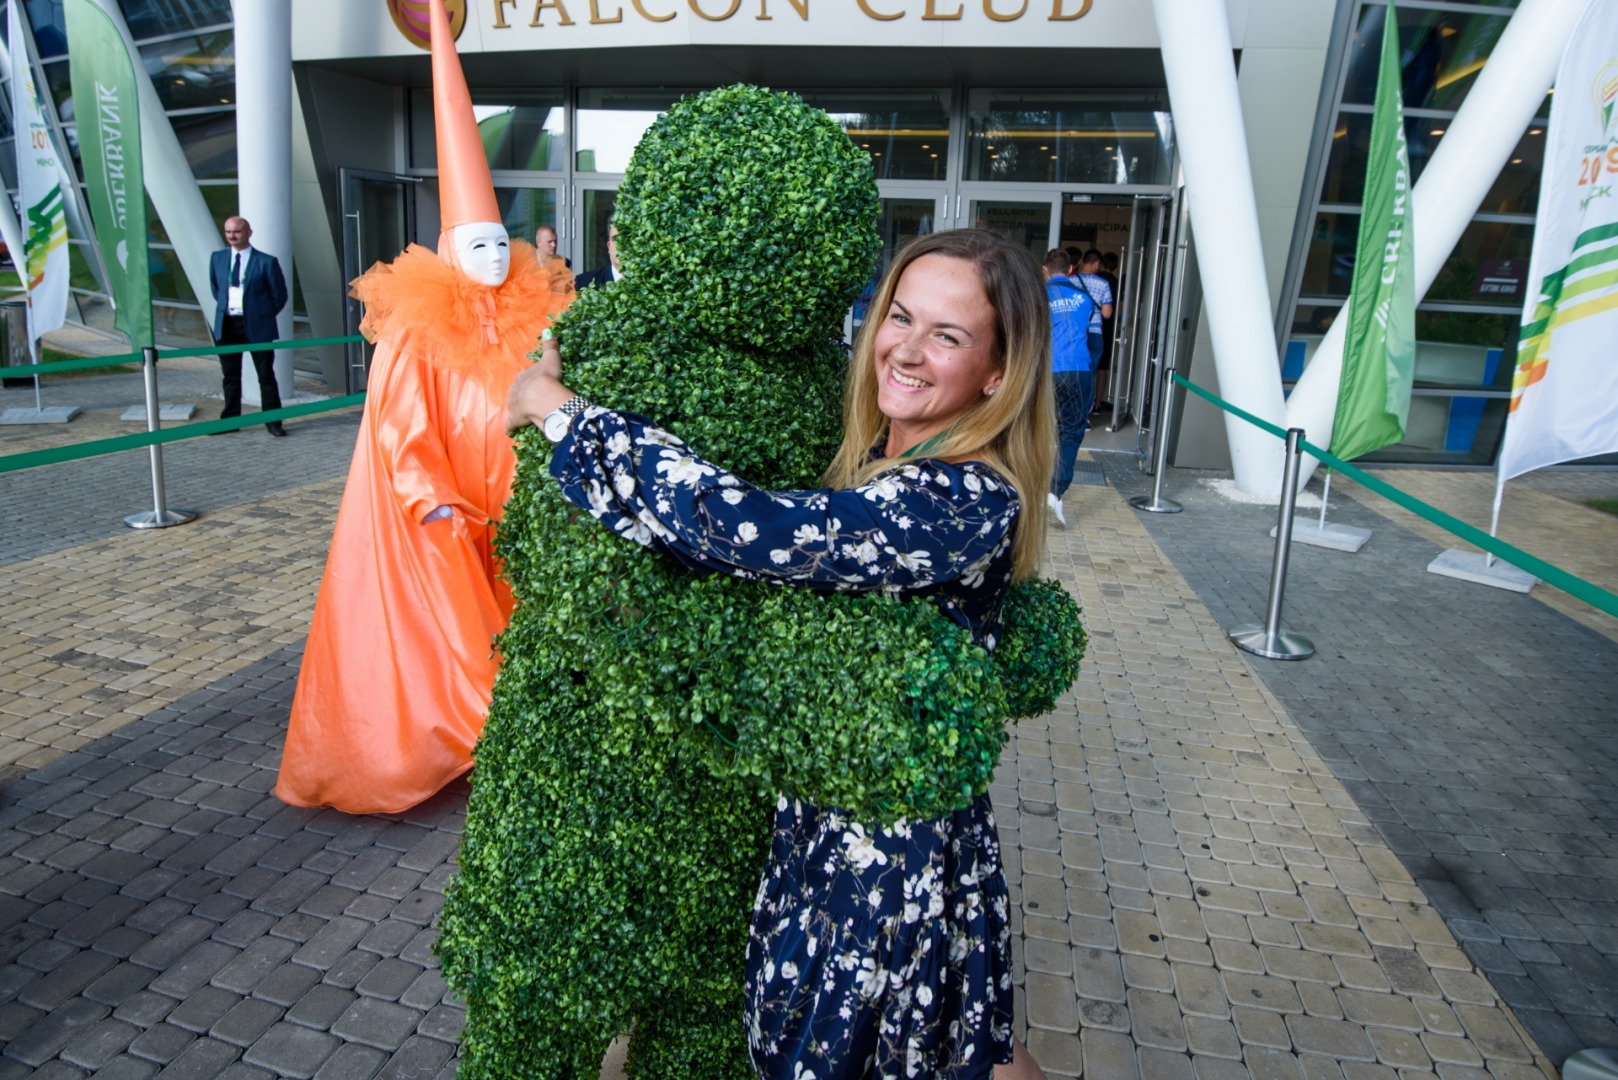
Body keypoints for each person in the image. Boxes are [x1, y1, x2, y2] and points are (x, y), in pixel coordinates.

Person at [507, 228, 1054, 1080]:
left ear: (999, 371)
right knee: (960, 1042)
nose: (905, 351)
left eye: (946, 336)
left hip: (882, 859)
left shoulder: (959, 497)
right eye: (899, 318)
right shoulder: (889, 458)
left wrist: (558, 412)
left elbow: (745, 529)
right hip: (834, 825)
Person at [275, 0, 574, 814]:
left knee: (515, 622)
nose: (485, 259)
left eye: (493, 242)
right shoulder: (414, 323)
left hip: (514, 504)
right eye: (469, 245)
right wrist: (426, 494)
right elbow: (398, 423)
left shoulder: (537, 309)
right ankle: (453, 742)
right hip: (446, 513)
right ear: (447, 245)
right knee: (449, 638)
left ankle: (512, 735)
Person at [209, 216, 289, 436]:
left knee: (265, 376)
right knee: (230, 376)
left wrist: (261, 315)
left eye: (237, 231)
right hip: (227, 325)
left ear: (249, 233)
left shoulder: (266, 261)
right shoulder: (217, 258)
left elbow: (279, 296)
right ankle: (230, 422)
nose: (232, 236)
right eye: (228, 232)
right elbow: (217, 289)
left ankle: (273, 422)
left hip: (257, 326)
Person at [1041, 249, 1097, 528]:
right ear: (1071, 269)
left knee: (1034, 428)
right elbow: (1092, 338)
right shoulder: (1085, 299)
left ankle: (1023, 490)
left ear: (1044, 270)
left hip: (1047, 372)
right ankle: (1054, 493)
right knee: (1071, 433)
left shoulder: (1039, 298)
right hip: (1078, 371)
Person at [573, 222, 619, 290]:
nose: (621, 246)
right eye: (616, 240)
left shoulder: (640, 284)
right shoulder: (582, 284)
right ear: (609, 246)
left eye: (628, 240)